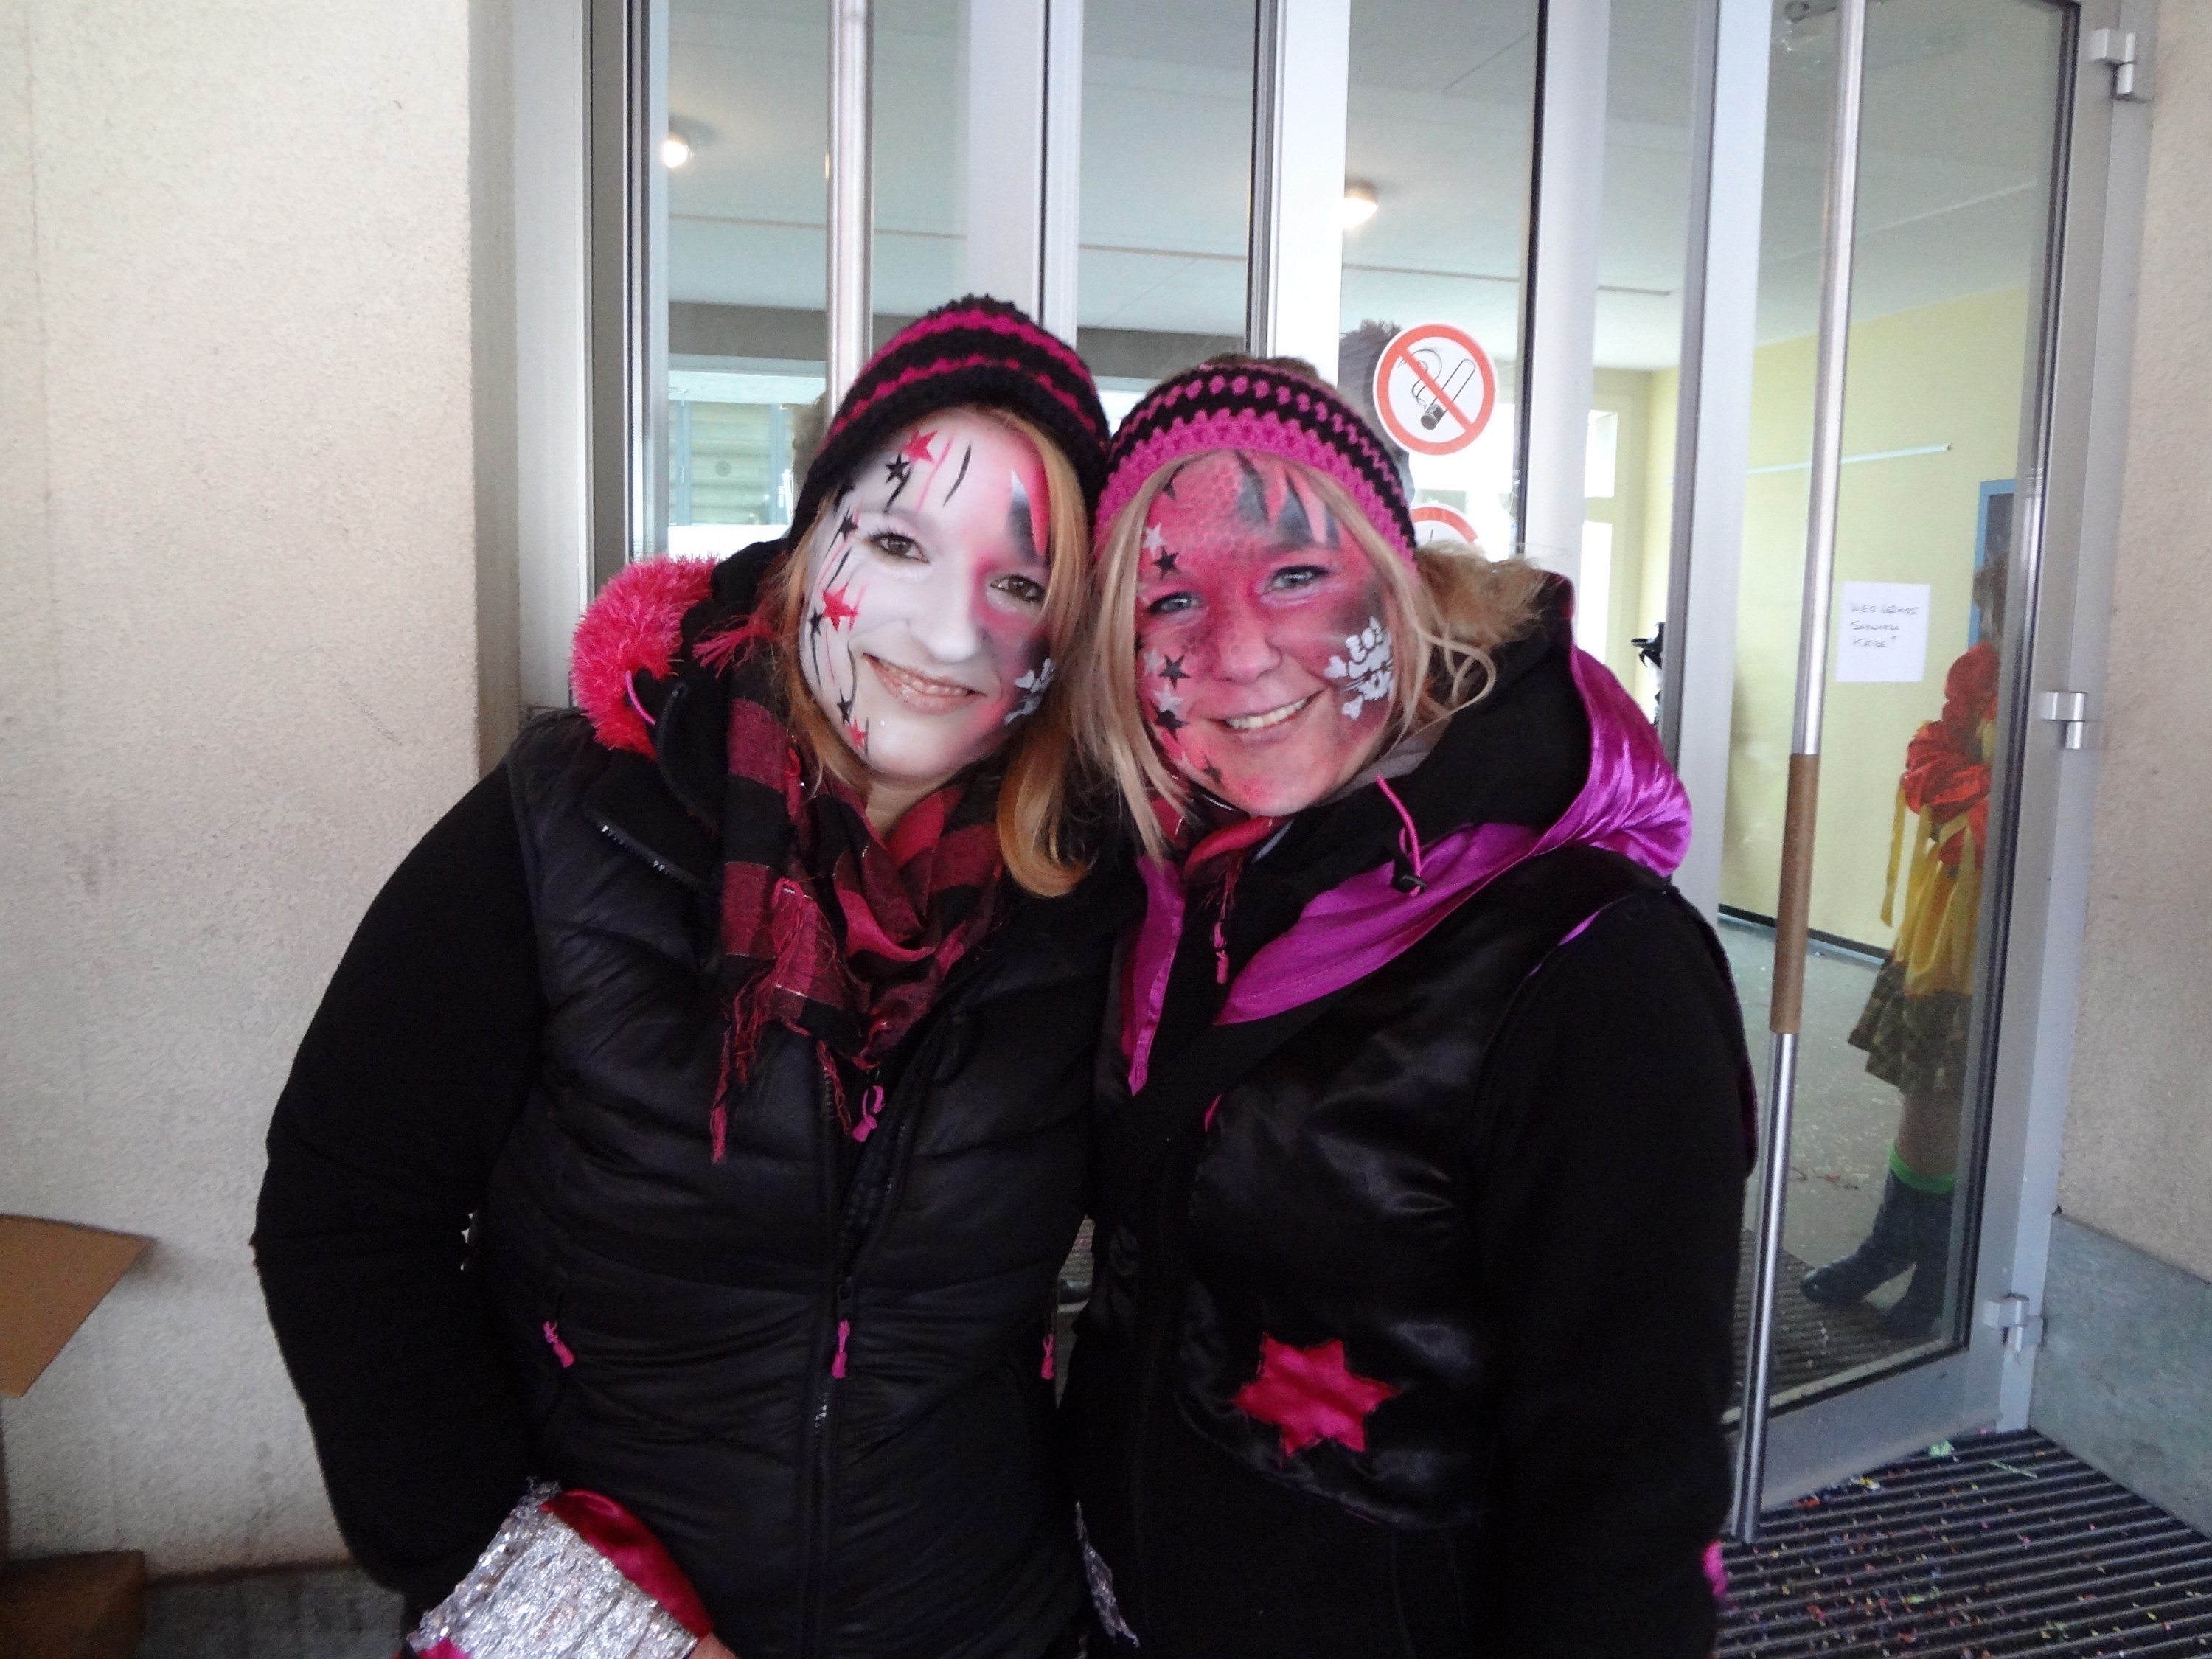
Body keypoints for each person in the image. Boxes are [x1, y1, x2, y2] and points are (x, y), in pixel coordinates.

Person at [254, 297, 1132, 1659]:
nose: (951, 635)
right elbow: (349, 1210)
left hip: (976, 1619)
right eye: (901, 543)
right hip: (607, 1610)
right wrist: (541, 1603)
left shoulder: (1093, 893)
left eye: (1019, 586)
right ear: (810, 538)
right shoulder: (572, 820)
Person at [1058, 358, 1755, 1658]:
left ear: (1405, 583)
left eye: (1294, 575)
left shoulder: (1592, 962)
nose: (1237, 653)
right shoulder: (1173, 882)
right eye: (1172, 598)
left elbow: (1631, 1506)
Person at [1802, 560, 2006, 1339]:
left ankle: (1940, 1268)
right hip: (1952, 909)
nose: (1994, 630)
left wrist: (1972, 790)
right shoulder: (1986, 674)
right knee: (1928, 1086)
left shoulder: (2067, 682)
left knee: (1969, 1095)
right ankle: (1896, 1244)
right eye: (1992, 614)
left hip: (2009, 916)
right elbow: (1936, 761)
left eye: (2002, 613)